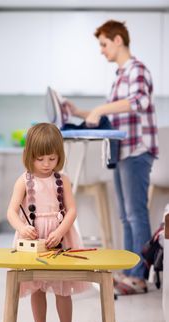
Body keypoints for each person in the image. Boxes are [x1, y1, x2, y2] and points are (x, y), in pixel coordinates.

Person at [63, 20, 159, 295]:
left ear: (118, 40)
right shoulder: (120, 76)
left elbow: (138, 101)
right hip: (121, 151)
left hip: (136, 150)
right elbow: (107, 115)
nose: (102, 50)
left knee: (135, 214)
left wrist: (101, 108)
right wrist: (80, 111)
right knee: (126, 216)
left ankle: (139, 277)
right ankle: (130, 271)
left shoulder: (137, 70)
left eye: (104, 44)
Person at [7, 123, 88, 322]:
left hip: (59, 240)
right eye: (40, 159)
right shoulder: (24, 180)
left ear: (59, 156)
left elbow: (71, 210)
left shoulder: (63, 180)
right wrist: (22, 228)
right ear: (29, 155)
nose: (46, 164)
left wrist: (61, 230)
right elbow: (11, 212)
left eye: (52, 158)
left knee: (63, 288)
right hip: (33, 240)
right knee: (37, 287)